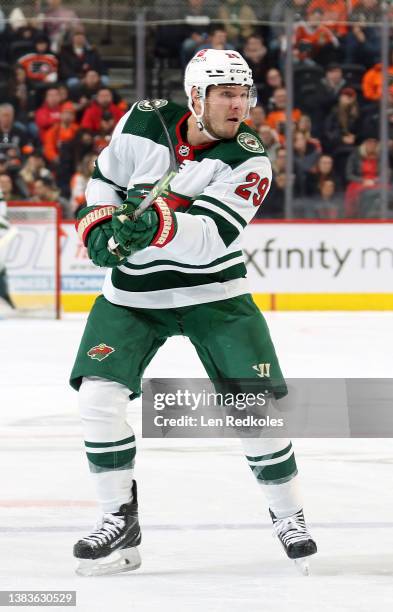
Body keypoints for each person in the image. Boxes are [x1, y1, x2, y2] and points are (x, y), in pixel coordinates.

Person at [69, 49, 317, 577]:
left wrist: (151, 229)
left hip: (214, 295)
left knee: (254, 411)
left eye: (243, 94)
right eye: (225, 93)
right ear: (195, 97)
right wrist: (98, 220)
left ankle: (288, 515)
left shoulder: (248, 159)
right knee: (97, 398)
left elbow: (208, 238)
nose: (237, 105)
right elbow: (104, 179)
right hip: (134, 295)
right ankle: (119, 519)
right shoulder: (142, 120)